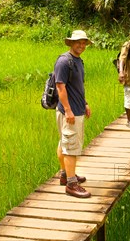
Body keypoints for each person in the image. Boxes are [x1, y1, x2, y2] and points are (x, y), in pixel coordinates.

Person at [55, 30, 92, 198]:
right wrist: (69, 110)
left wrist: (84, 103)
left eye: (84, 42)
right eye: (78, 42)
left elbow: (78, 87)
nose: (81, 45)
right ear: (71, 43)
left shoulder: (78, 61)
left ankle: (65, 174)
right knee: (71, 147)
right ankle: (71, 184)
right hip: (70, 112)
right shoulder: (64, 61)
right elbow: (60, 87)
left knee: (65, 142)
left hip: (77, 109)